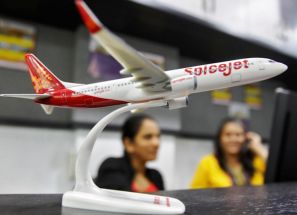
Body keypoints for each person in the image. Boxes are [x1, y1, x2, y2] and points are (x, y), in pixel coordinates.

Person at [191, 117, 268, 189]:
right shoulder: (207, 162)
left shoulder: (257, 161)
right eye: (228, 134)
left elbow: (277, 174)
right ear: (220, 138)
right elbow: (195, 194)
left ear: (245, 138)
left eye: (238, 135)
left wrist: (259, 148)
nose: (233, 139)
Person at [94, 113, 164, 192]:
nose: (156, 143)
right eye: (148, 137)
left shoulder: (156, 176)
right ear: (129, 144)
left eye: (158, 137)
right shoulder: (111, 167)